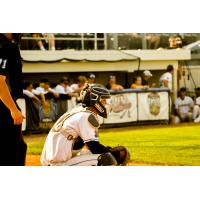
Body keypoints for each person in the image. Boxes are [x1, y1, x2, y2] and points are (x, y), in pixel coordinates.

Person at [40, 84, 130, 166]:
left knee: (102, 155)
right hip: (57, 163)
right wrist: (115, 154)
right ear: (95, 100)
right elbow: (94, 147)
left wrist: (108, 150)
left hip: (54, 158)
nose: (106, 103)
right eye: (103, 101)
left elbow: (90, 145)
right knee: (106, 159)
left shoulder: (80, 111)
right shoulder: (86, 116)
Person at [0, 33, 27, 165]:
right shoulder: (4, 46)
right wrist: (13, 109)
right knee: (13, 153)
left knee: (20, 147)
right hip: (3, 106)